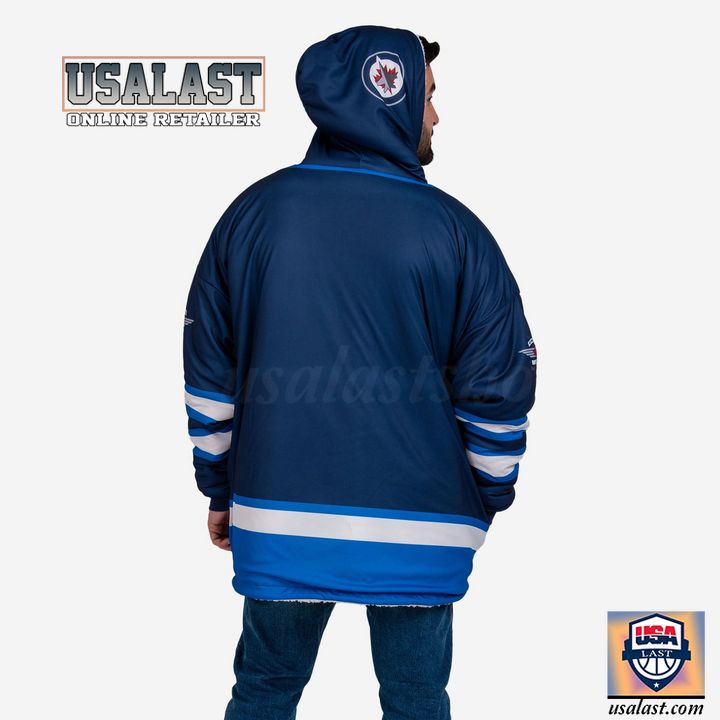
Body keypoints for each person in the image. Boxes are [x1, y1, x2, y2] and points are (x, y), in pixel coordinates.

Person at [182, 25, 537, 720]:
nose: (436, 115)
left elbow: (208, 371)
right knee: (417, 699)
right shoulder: (457, 232)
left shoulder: (253, 215)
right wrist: (490, 492)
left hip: (277, 515)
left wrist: (220, 487)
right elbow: (497, 383)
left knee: (264, 689)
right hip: (424, 529)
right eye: (428, 96)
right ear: (389, 94)